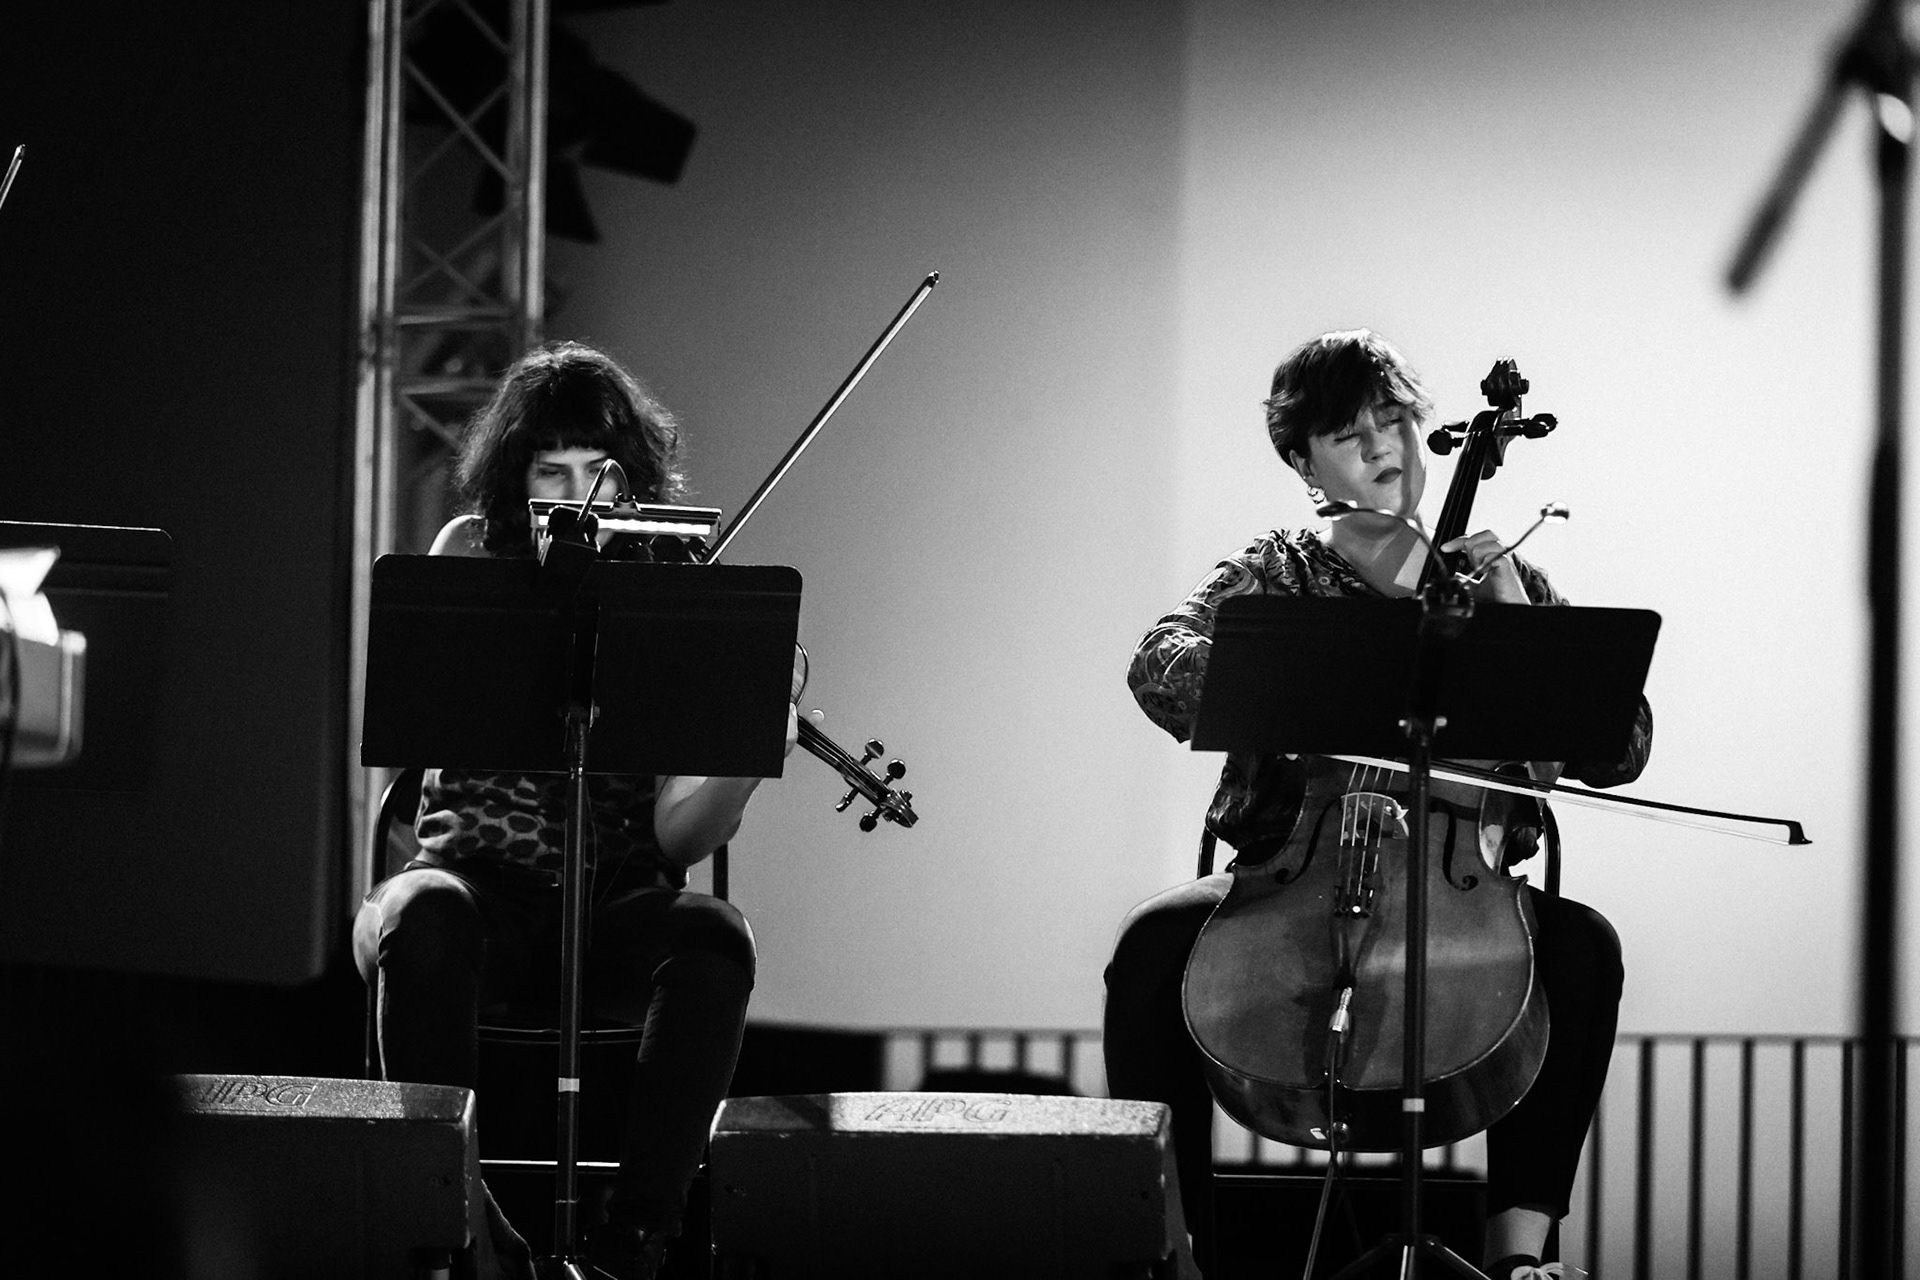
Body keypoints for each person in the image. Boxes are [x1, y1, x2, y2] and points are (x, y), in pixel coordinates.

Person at [1105, 329, 1649, 1280]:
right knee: (1151, 950)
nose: (1380, 444)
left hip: (1461, 891)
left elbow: (1621, 745)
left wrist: (1514, 615)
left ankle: (1522, 1256)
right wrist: (1315, 676)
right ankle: (1175, 1249)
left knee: (1585, 948)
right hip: (1290, 876)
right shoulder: (1279, 568)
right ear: (1302, 458)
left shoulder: (1493, 574)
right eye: (1346, 431)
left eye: (1394, 418)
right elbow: (1159, 664)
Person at [354, 341, 797, 1280]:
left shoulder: (679, 583)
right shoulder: (471, 550)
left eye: (598, 472)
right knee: (422, 920)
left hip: (616, 900)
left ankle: (632, 1239)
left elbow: (681, 835)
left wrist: (747, 755)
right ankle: (462, 1226)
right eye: (548, 474)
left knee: (717, 942)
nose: (576, 497)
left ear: (635, 479)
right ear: (513, 482)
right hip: (474, 886)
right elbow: (421, 739)